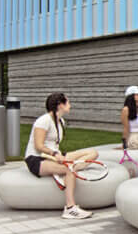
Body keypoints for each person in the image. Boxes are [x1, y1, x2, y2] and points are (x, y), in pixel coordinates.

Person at [23, 92, 98, 220]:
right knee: (69, 171)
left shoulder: (60, 121)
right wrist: (54, 154)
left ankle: (67, 169)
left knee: (93, 153)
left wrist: (59, 156)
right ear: (60, 105)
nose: (70, 105)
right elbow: (38, 146)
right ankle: (70, 208)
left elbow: (53, 144)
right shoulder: (44, 121)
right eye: (67, 102)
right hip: (37, 159)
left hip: (55, 156)